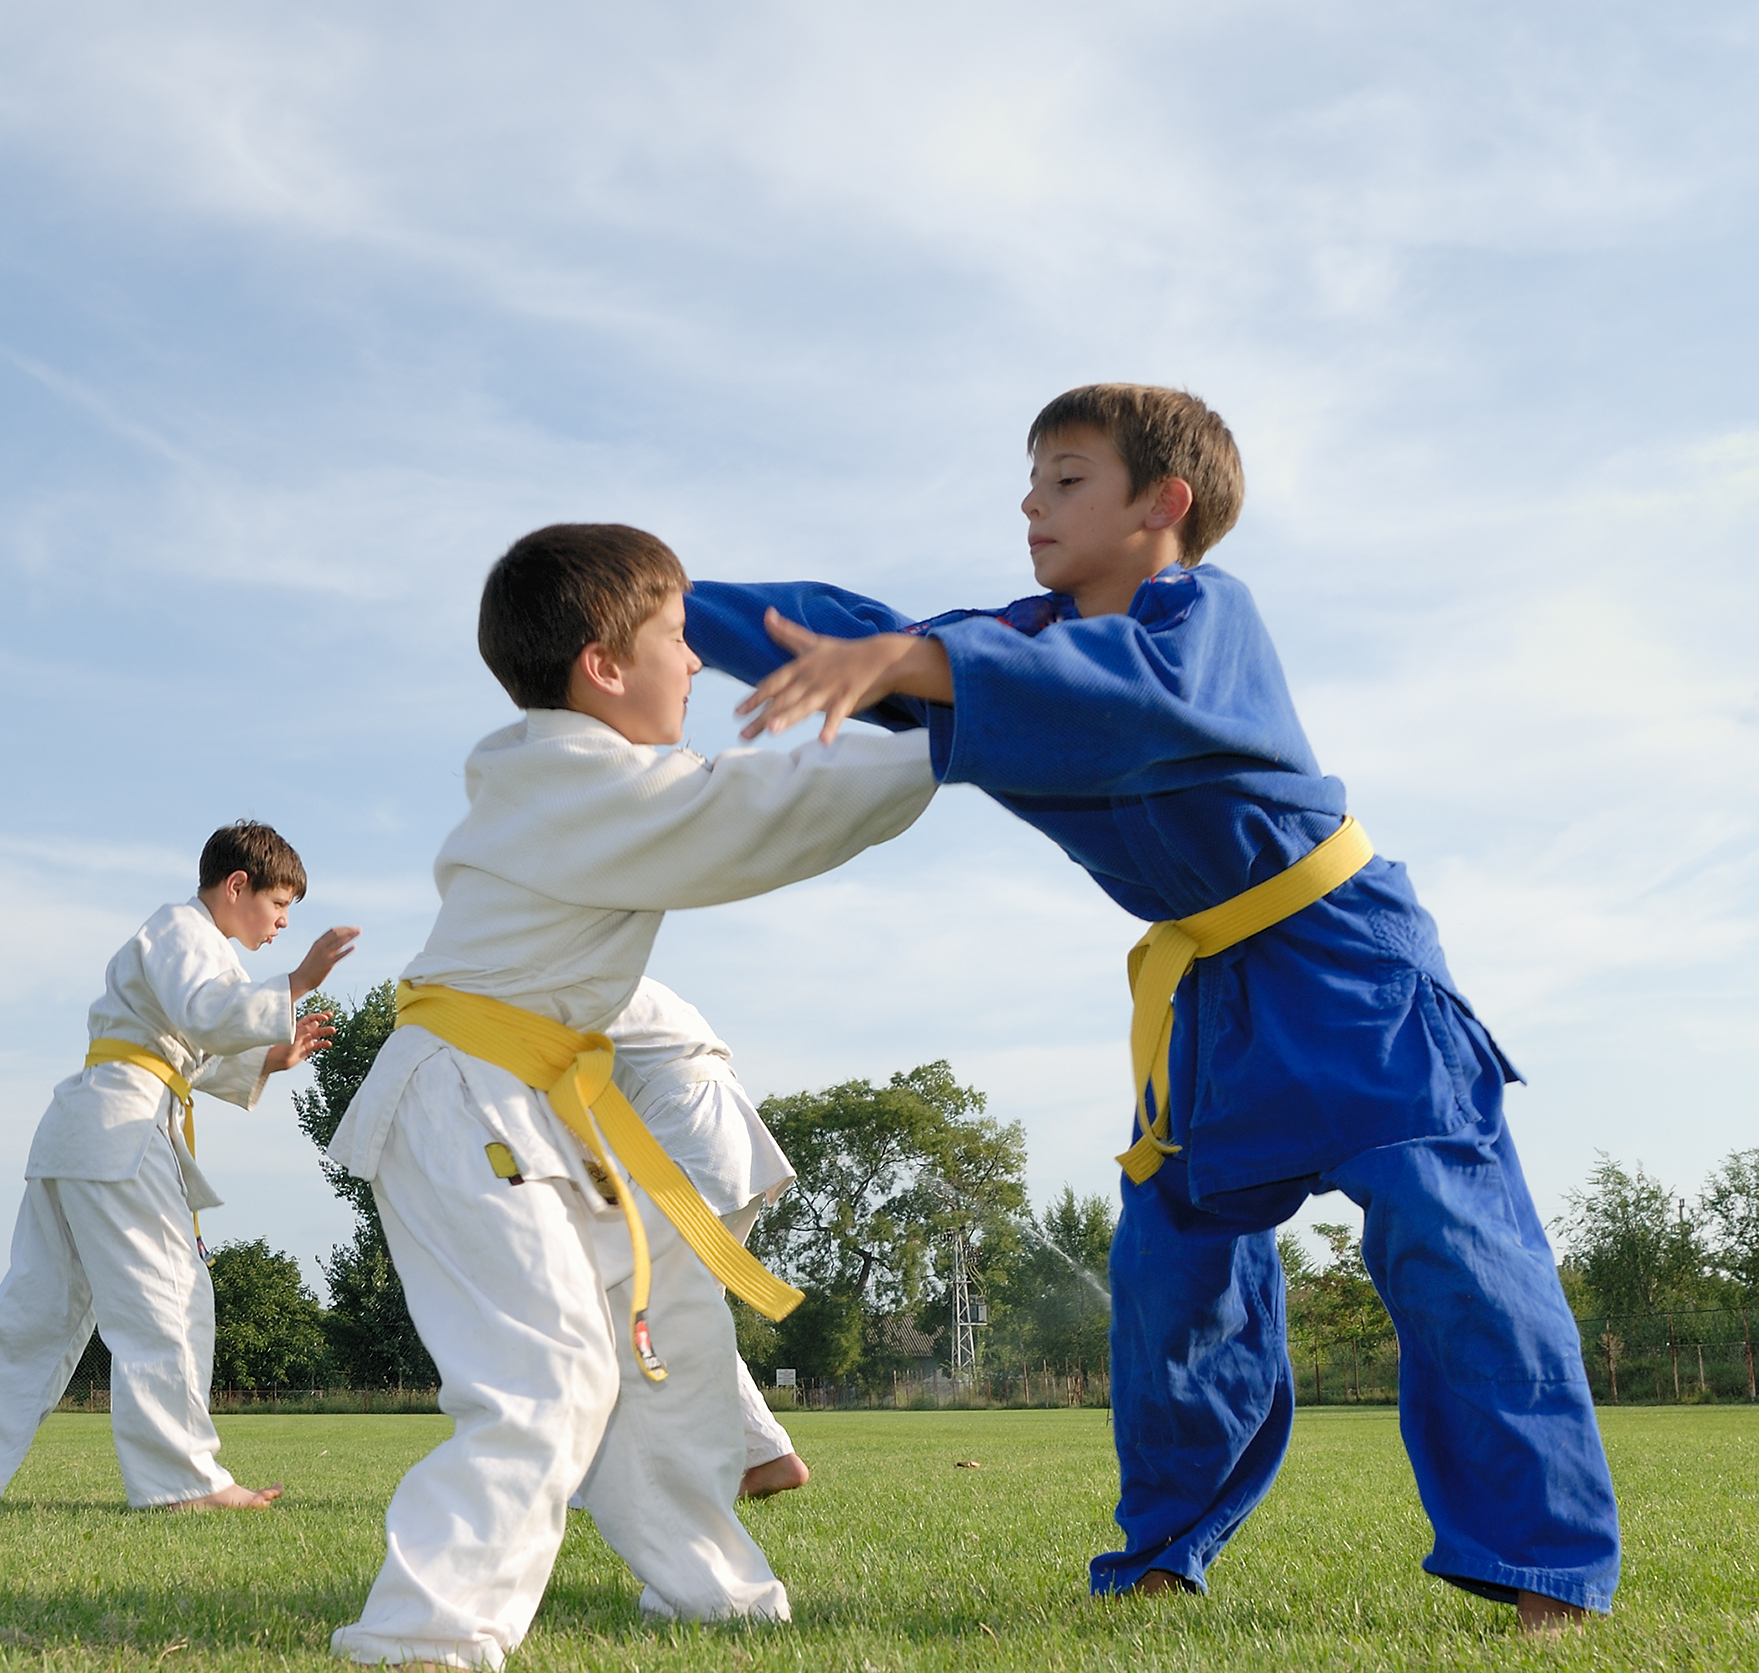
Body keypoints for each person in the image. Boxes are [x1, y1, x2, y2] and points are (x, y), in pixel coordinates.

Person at [694, 383, 1623, 1634]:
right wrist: (659, 605)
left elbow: (1123, 688)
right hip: (1209, 1000)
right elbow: (861, 634)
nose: (1031, 502)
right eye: (1031, 478)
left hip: (1349, 970)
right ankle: (1161, 1551)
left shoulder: (1202, 619)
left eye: (1067, 477)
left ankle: (1542, 1569)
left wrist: (914, 661)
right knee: (1169, 1270)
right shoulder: (1008, 642)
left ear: (1161, 503)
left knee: (1449, 1241)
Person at [324, 524, 941, 1669]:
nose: (696, 660)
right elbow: (756, 809)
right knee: (545, 1374)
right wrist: (969, 733)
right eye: (674, 637)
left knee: (667, 1338)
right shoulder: (575, 780)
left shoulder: (559, 775)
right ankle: (421, 1638)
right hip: (468, 1106)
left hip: (527, 1106)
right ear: (602, 666)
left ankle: (713, 1592)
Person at [0, 822, 358, 1512]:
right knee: (169, 1296)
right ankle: (181, 1482)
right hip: (120, 1129)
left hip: (85, 1129)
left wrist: (267, 1058)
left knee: (40, 1314)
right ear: (238, 885)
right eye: (279, 903)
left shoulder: (188, 944)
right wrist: (299, 982)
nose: (283, 921)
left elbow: (189, 1042)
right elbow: (208, 1016)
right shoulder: (185, 930)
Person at [573, 977, 805, 1611]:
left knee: (622, 1310)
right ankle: (766, 1455)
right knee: (673, 1312)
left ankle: (615, 1489)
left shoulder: (550, 974)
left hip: (684, 1133)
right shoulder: (599, 967)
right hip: (714, 1129)